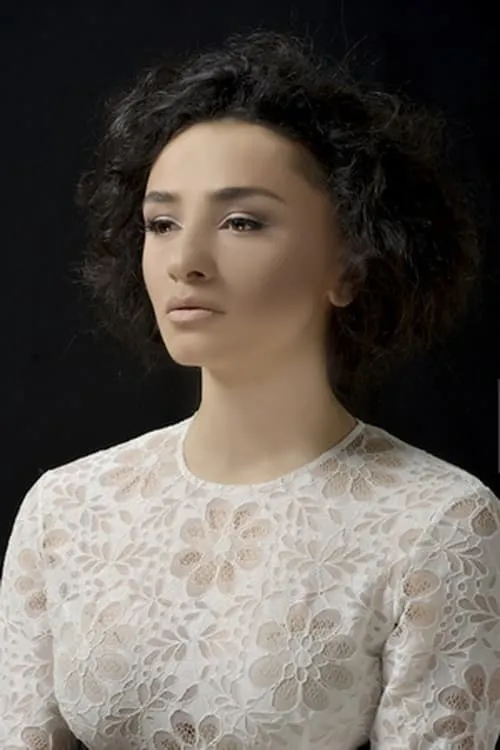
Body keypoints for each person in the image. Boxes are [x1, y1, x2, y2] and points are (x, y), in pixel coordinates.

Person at [1, 27, 499, 750]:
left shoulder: (438, 523)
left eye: (241, 221)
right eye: (162, 223)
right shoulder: (65, 511)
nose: (186, 261)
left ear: (350, 266)